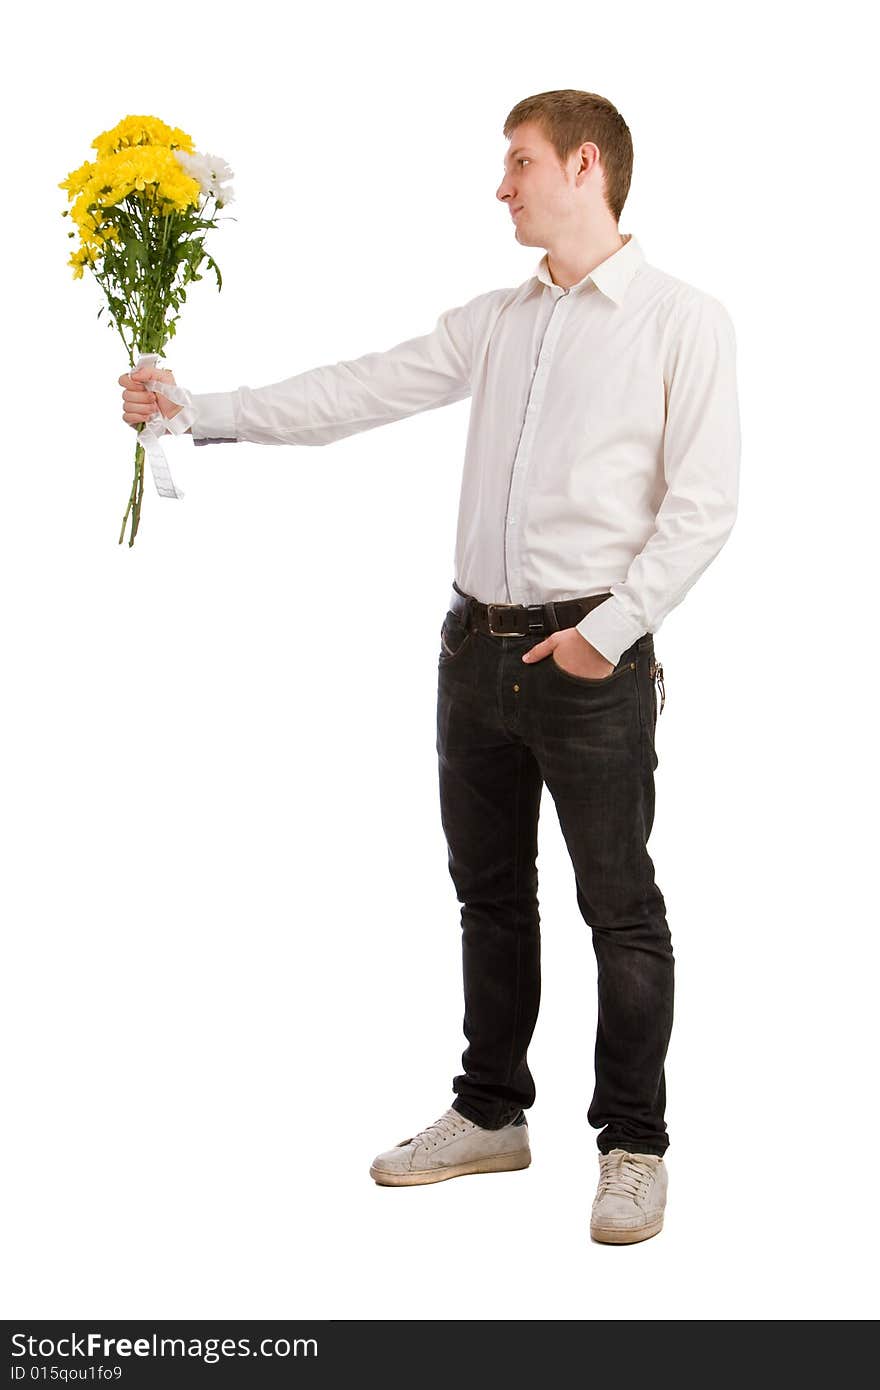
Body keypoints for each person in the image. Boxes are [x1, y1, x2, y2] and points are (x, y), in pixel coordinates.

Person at [119, 89, 740, 1245]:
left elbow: (703, 508)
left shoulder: (680, 320)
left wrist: (607, 632)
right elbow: (359, 389)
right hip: (473, 649)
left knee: (621, 909)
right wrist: (191, 409)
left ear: (584, 165)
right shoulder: (497, 321)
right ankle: (491, 1113)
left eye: (518, 162)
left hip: (592, 659)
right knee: (490, 899)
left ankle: (633, 1144)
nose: (500, 186)